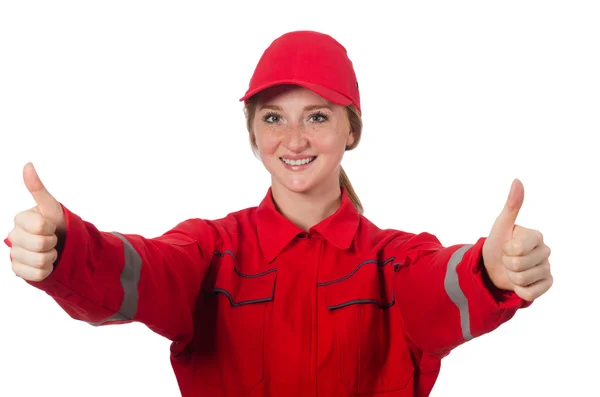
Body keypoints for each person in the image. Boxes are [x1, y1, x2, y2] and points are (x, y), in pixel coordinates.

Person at [5, 30, 553, 397]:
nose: (293, 139)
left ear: (351, 130)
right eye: (273, 118)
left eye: (316, 116)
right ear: (253, 133)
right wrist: (67, 249)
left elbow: (442, 284)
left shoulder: (394, 261)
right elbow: (147, 270)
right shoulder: (210, 251)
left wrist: (491, 271)